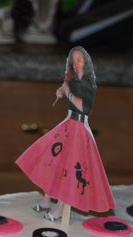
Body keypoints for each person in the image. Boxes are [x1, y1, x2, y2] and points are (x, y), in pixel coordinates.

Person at [16, 46, 115, 222]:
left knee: (70, 169)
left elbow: (83, 106)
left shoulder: (89, 84)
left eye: (79, 60)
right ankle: (47, 200)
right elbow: (67, 92)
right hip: (68, 124)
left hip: (79, 129)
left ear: (85, 62)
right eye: (73, 60)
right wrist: (61, 91)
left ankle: (60, 208)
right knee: (52, 161)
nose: (76, 64)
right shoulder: (72, 79)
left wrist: (67, 92)